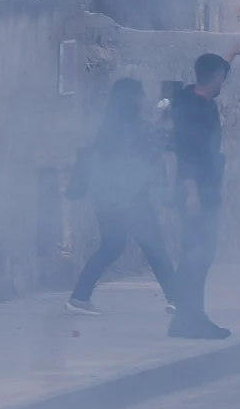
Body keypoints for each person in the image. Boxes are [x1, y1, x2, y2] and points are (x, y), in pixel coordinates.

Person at [67, 79, 178, 316]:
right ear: (133, 99)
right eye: (140, 95)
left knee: (112, 245)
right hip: (131, 199)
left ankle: (79, 296)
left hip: (105, 199)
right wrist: (166, 118)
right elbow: (161, 145)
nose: (142, 99)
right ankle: (178, 299)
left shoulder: (106, 128)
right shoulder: (139, 127)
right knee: (155, 247)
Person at [170, 51, 237, 340]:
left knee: (198, 256)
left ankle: (187, 318)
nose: (225, 80)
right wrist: (192, 193)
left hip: (204, 190)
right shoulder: (195, 110)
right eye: (223, 76)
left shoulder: (192, 100)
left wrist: (232, 54)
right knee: (196, 257)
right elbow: (187, 154)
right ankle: (190, 319)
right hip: (196, 193)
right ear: (217, 78)